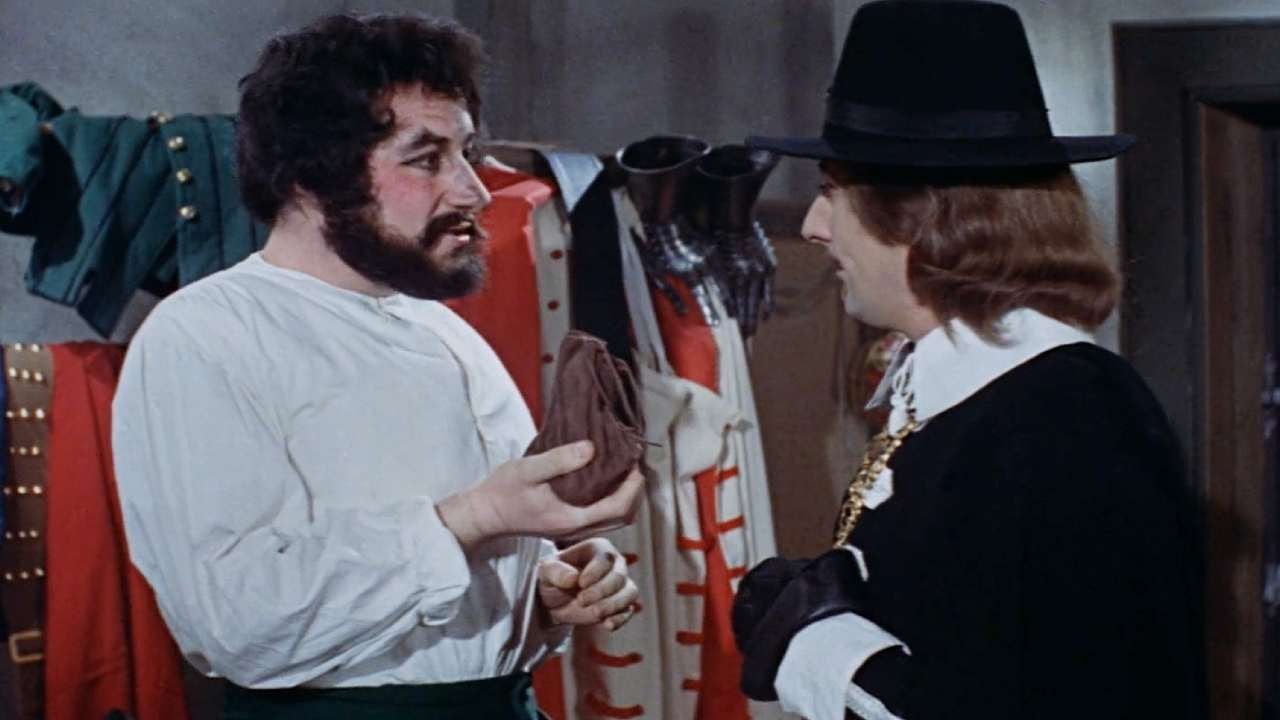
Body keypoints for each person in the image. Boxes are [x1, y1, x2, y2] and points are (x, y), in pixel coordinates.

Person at [111, 14, 643, 720]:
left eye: (467, 153)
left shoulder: (445, 331)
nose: (475, 191)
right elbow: (234, 621)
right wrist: (476, 516)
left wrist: (543, 591)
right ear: (310, 180)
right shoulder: (204, 336)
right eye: (426, 159)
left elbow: (446, 604)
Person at [731, 2, 1205, 719]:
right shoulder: (963, 397)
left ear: (924, 215)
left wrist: (813, 641)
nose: (812, 226)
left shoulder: (1069, 413)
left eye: (831, 193)